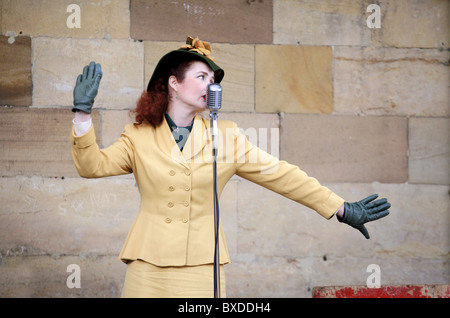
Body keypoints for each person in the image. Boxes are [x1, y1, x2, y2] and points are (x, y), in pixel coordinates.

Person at [70, 36, 391, 298]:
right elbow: (92, 166)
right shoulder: (137, 136)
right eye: (201, 77)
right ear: (173, 84)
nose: (210, 85)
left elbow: (280, 174)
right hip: (147, 263)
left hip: (201, 266)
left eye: (213, 80)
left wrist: (339, 207)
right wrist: (82, 115)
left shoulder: (227, 136)